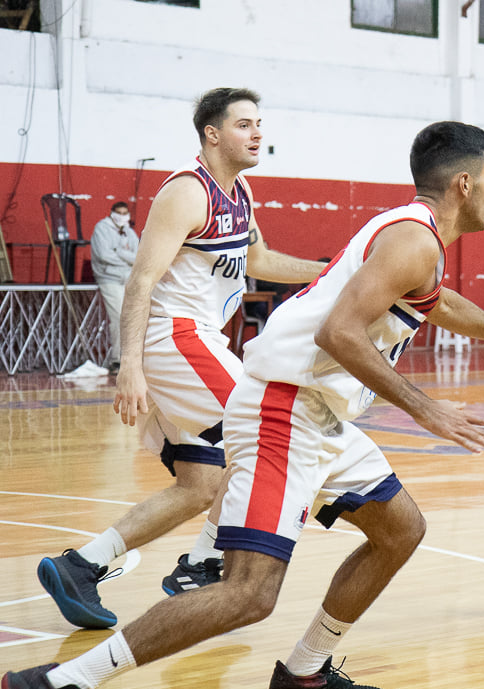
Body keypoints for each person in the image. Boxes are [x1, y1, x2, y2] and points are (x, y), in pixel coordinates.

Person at [2, 120, 484, 689]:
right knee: (249, 596)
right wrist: (426, 408)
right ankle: (57, 684)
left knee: (400, 528)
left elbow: (437, 302)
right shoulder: (414, 240)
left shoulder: (417, 240)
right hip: (283, 408)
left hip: (320, 414)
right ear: (464, 183)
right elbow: (341, 333)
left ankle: (303, 676)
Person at [35, 87, 327, 631]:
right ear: (212, 134)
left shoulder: (239, 190)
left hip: (198, 341)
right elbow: (141, 279)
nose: (258, 132)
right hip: (176, 338)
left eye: (260, 123)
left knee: (203, 483)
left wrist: (330, 273)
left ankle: (81, 566)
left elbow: (259, 259)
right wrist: (130, 366)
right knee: (272, 431)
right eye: (244, 125)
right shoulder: (188, 191)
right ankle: (202, 563)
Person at [89, 201, 139, 374]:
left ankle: (132, 359)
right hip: (109, 278)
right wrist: (127, 259)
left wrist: (119, 252)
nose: (122, 216)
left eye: (126, 213)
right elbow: (104, 255)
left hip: (128, 279)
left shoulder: (129, 232)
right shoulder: (101, 229)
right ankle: (117, 360)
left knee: (134, 318)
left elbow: (138, 256)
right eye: (119, 212)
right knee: (118, 318)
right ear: (111, 213)